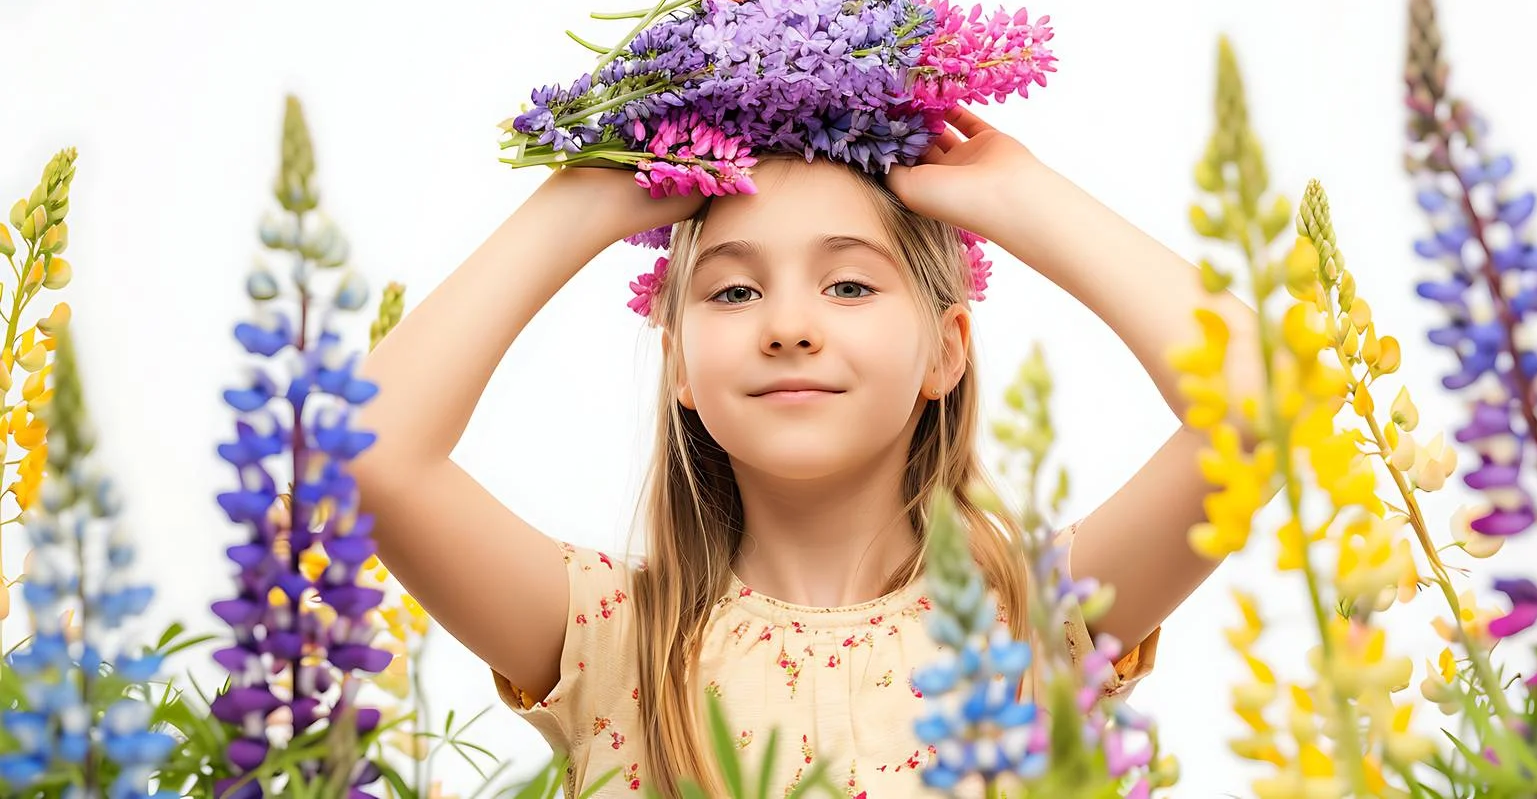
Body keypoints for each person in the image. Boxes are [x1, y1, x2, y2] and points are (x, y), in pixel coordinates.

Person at [349, 101, 1262, 798]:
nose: (788, 325)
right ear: (680, 365)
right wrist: (583, 201)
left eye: (850, 283)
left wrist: (1020, 195)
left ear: (947, 348)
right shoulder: (614, 639)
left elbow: (1264, 408)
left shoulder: (1035, 624)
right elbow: (369, 456)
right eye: (734, 291)